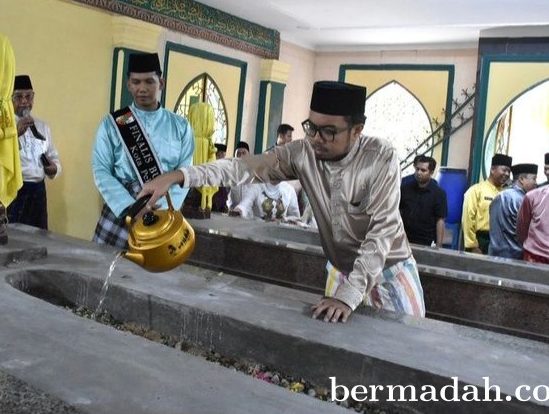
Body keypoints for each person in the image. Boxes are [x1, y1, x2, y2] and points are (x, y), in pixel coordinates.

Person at [139, 81, 425, 323]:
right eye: (311, 127)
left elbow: (382, 229)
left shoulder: (380, 157)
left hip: (390, 271)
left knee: (407, 361)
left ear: (357, 130)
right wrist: (179, 176)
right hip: (341, 271)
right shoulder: (302, 152)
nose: (315, 139)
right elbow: (243, 168)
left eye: (328, 131)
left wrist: (350, 295)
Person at [91, 52, 194, 248]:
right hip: (122, 207)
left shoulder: (180, 126)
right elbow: (101, 169)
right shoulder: (112, 124)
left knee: (152, 274)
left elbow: (185, 173)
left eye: (149, 81)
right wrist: (130, 207)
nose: (143, 88)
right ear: (128, 84)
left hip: (163, 209)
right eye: (136, 82)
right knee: (103, 270)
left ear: (160, 83)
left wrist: (160, 210)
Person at [7, 75, 62, 229]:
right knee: (15, 238)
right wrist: (15, 133)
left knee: (40, 237)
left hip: (38, 191)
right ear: (8, 99)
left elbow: (54, 158)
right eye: (18, 97)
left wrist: (54, 169)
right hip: (15, 191)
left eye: (29, 96)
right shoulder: (3, 126)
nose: (25, 101)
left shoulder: (42, 126)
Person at [461, 153, 512, 254]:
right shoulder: (476, 190)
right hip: (480, 241)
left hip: (499, 243)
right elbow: (467, 219)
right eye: (504, 170)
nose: (506, 174)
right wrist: (472, 245)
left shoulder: (506, 194)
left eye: (509, 171)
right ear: (493, 169)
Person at [488, 163, 538, 260]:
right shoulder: (524, 201)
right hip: (515, 258)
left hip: (494, 256)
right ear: (522, 179)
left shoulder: (499, 196)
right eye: (534, 179)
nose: (536, 183)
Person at [398, 155, 447, 248]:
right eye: (417, 169)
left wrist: (439, 245)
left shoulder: (438, 193)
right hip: (404, 238)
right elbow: (398, 211)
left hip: (426, 241)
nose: (419, 172)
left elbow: (440, 220)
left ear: (431, 172)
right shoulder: (405, 188)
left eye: (423, 170)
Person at [229, 181, 300, 222]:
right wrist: (238, 210)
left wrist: (284, 220)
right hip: (259, 237)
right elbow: (245, 205)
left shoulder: (289, 190)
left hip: (282, 238)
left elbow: (296, 218)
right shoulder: (256, 187)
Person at [227, 141, 251, 209]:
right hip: (233, 212)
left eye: (244, 153)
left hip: (250, 213)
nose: (240, 156)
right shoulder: (229, 173)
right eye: (238, 153)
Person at [210, 143, 229, 213]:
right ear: (219, 153)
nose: (224, 156)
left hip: (221, 199)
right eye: (223, 154)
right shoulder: (211, 163)